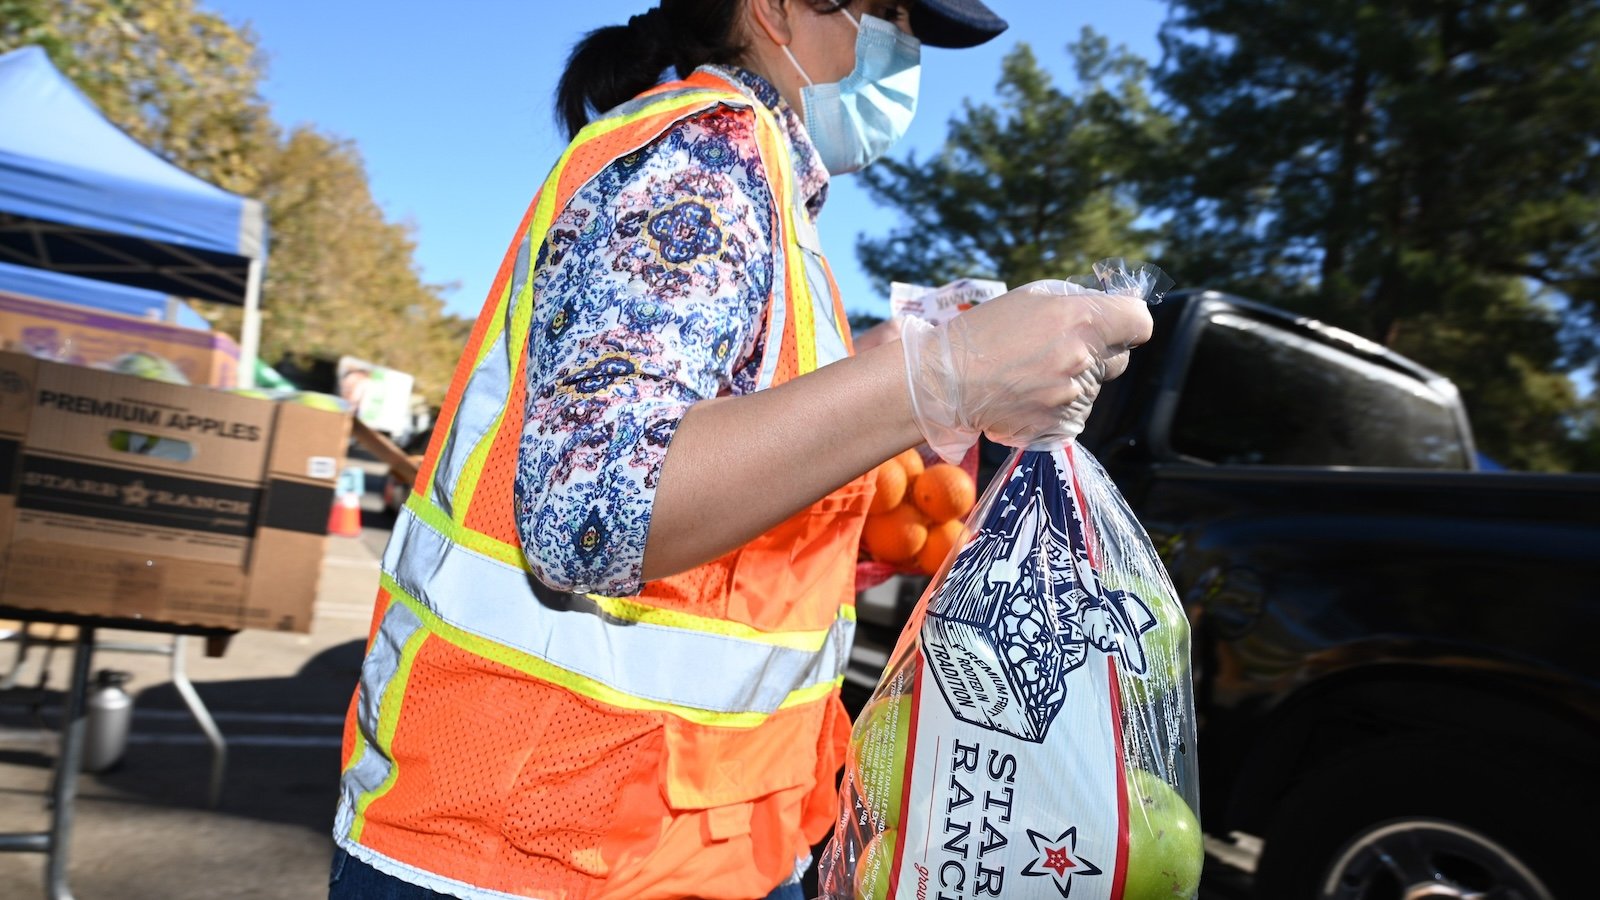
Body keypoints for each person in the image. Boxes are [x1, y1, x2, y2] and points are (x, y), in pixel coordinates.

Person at [328, 1, 1154, 898]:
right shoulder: (702, 157)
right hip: (540, 845)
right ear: (777, 8)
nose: (909, 52)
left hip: (686, 846)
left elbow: (723, 538)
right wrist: (945, 376)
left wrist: (883, 385)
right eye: (895, 17)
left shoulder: (766, 191)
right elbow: (594, 513)